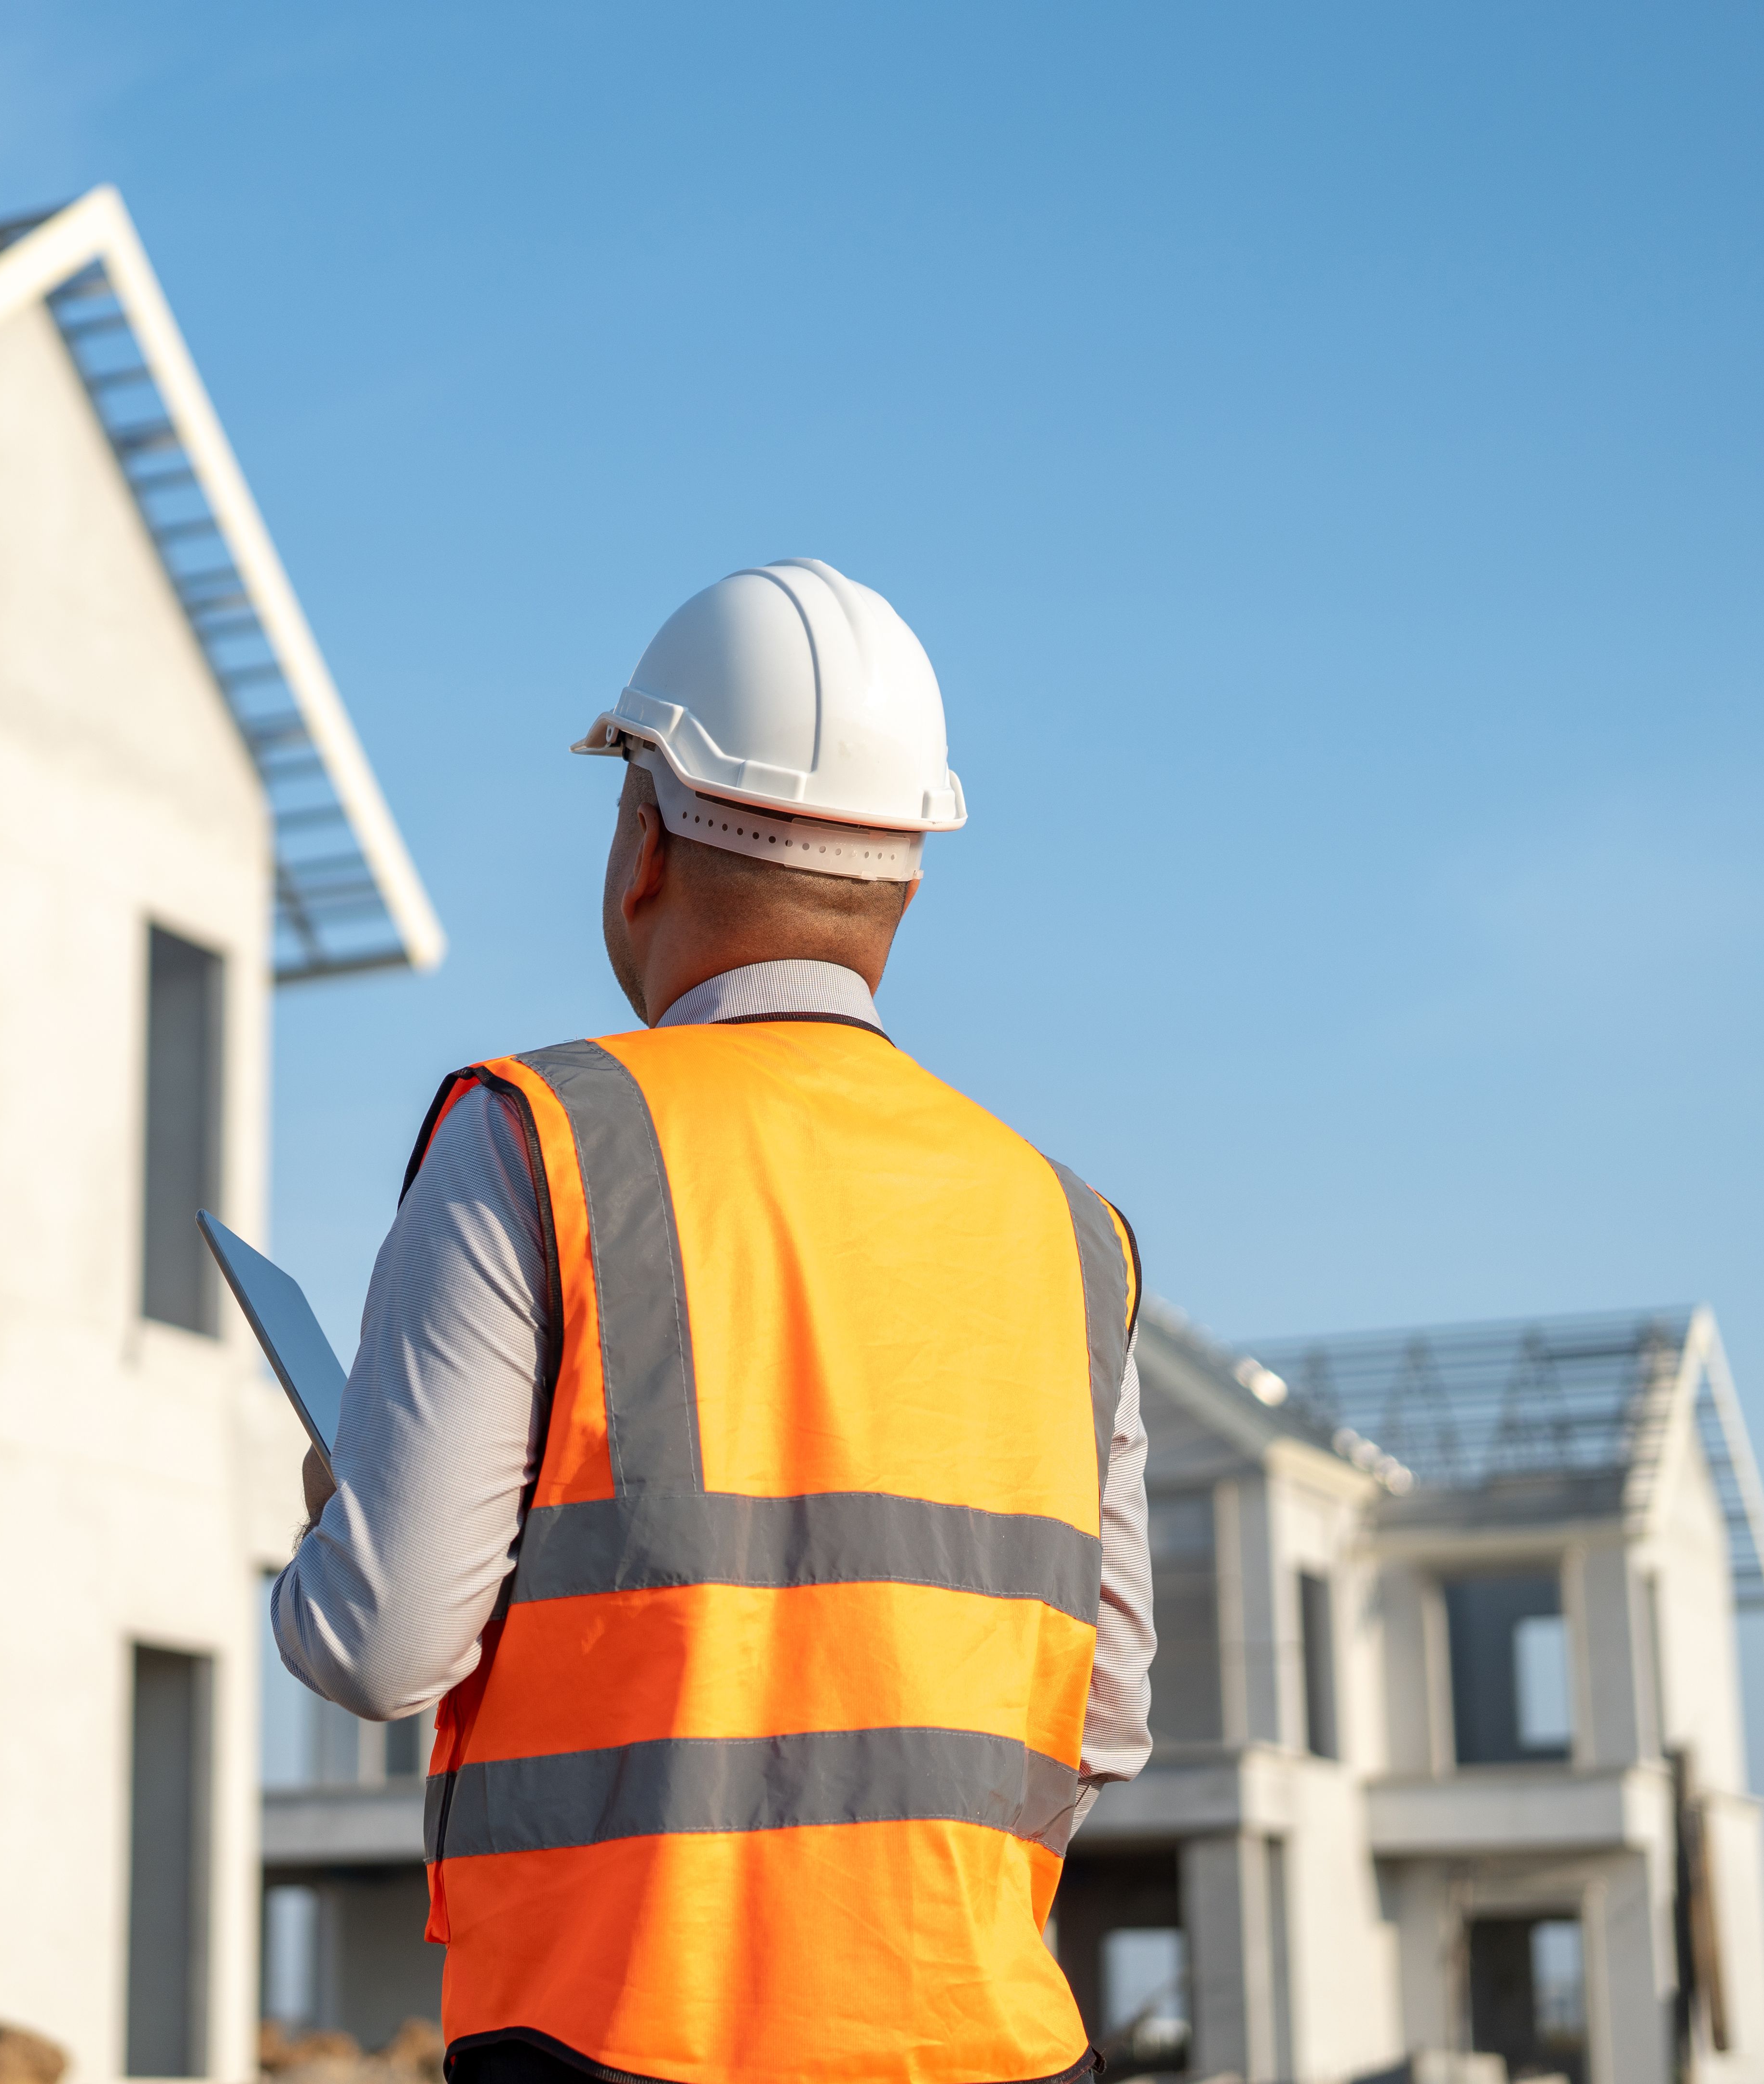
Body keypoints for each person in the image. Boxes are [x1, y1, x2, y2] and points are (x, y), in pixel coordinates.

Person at [271, 558, 1154, 2084]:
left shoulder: (537, 1138)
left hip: (622, 2041)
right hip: (989, 2047)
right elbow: (1107, 1718)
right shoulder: (1069, 1230)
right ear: (908, 877)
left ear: (641, 842)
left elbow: (383, 1642)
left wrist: (340, 1524)